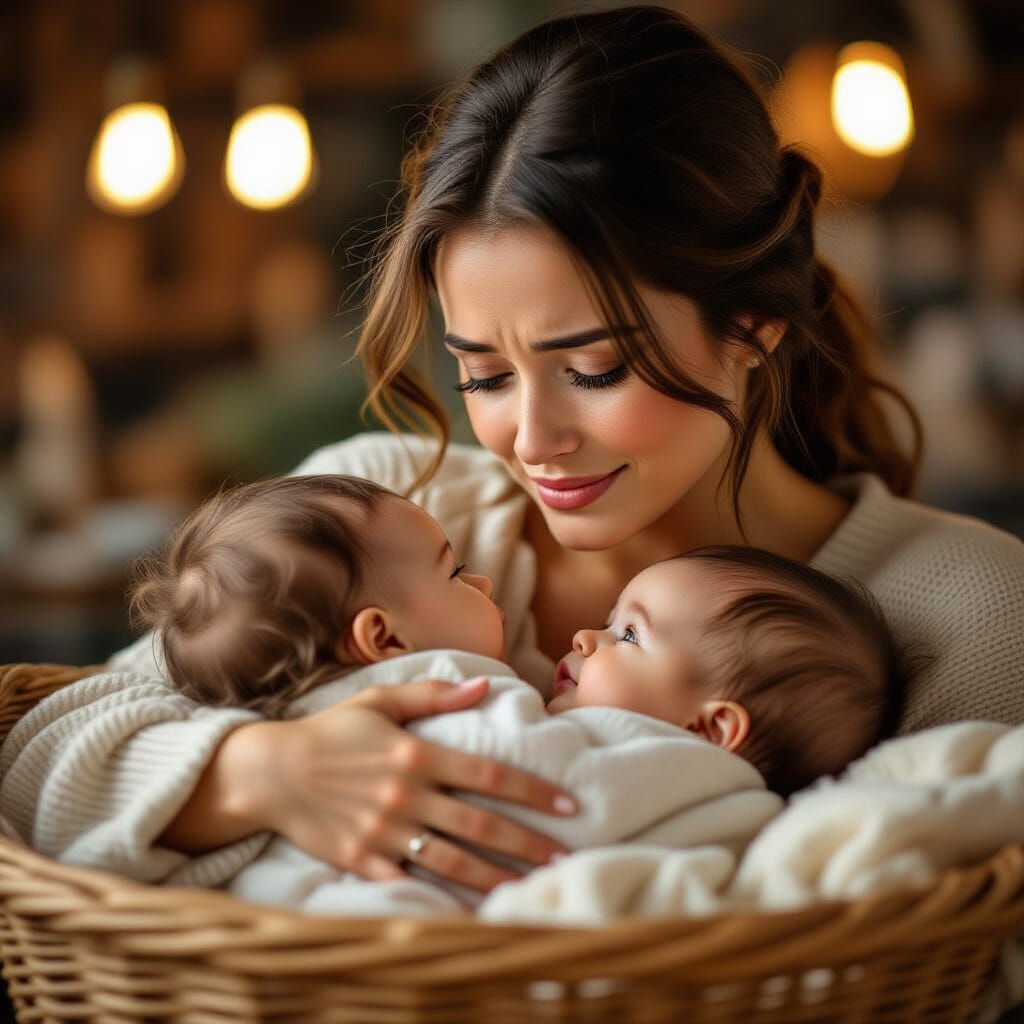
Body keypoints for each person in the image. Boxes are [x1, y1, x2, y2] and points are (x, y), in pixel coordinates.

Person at [2, 6, 1022, 899]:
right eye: (484, 375)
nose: (531, 442)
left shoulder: (970, 614)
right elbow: (37, 764)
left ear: (752, 325)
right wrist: (266, 775)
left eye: (592, 369)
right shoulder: (381, 514)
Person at [120, 472, 900, 913]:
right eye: (458, 574)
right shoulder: (457, 700)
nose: (585, 638)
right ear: (384, 640)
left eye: (627, 634)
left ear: (712, 727)